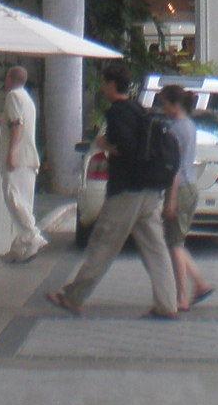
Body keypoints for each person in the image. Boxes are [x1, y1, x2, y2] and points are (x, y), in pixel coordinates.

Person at [45, 62, 179, 319]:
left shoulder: (117, 112)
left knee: (103, 244)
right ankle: (167, 303)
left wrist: (104, 143)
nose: (102, 88)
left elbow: (124, 147)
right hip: (150, 192)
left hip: (126, 191)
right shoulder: (140, 109)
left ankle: (73, 297)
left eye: (104, 83)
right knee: (156, 248)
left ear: (110, 84)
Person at [157, 84, 215, 313]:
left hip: (179, 189)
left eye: (164, 104)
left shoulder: (175, 130)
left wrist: (170, 200)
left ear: (174, 104)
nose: (162, 108)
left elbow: (175, 169)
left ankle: (184, 295)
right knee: (177, 242)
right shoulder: (189, 125)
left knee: (175, 245)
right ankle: (199, 284)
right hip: (190, 188)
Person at [0, 64, 48, 261]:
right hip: (29, 157)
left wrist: (11, 153)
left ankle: (32, 234)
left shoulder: (12, 96)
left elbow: (17, 125)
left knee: (13, 197)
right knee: (24, 201)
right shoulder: (27, 99)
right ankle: (24, 245)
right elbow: (13, 124)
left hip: (18, 158)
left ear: (10, 79)